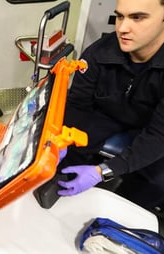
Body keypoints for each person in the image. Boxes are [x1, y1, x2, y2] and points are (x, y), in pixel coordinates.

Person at [56, 0, 164, 212]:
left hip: (153, 125)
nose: (122, 28)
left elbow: (159, 135)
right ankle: (63, 202)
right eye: (120, 16)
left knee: (156, 183)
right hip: (108, 114)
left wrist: (104, 171)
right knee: (65, 154)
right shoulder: (98, 54)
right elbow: (78, 104)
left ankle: (117, 216)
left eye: (137, 17)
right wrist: (60, 140)